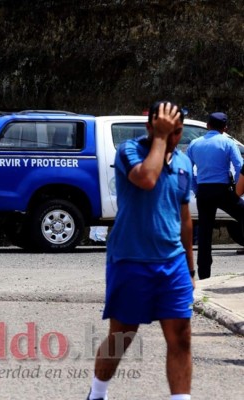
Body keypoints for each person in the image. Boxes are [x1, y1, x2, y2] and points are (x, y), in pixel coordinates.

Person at [87, 101, 195, 400]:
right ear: (150, 127)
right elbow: (147, 179)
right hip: (131, 261)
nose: (173, 137)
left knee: (181, 338)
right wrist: (160, 138)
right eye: (166, 131)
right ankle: (97, 393)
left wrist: (191, 267)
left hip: (172, 264)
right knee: (121, 338)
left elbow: (184, 218)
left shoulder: (184, 163)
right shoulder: (129, 151)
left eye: (177, 132)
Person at [186, 112, 244, 279]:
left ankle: (204, 276)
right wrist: (237, 191)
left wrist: (196, 189)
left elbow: (188, 170)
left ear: (207, 125)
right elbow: (239, 166)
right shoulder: (228, 142)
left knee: (204, 234)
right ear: (225, 128)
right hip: (223, 191)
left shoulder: (194, 144)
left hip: (204, 192)